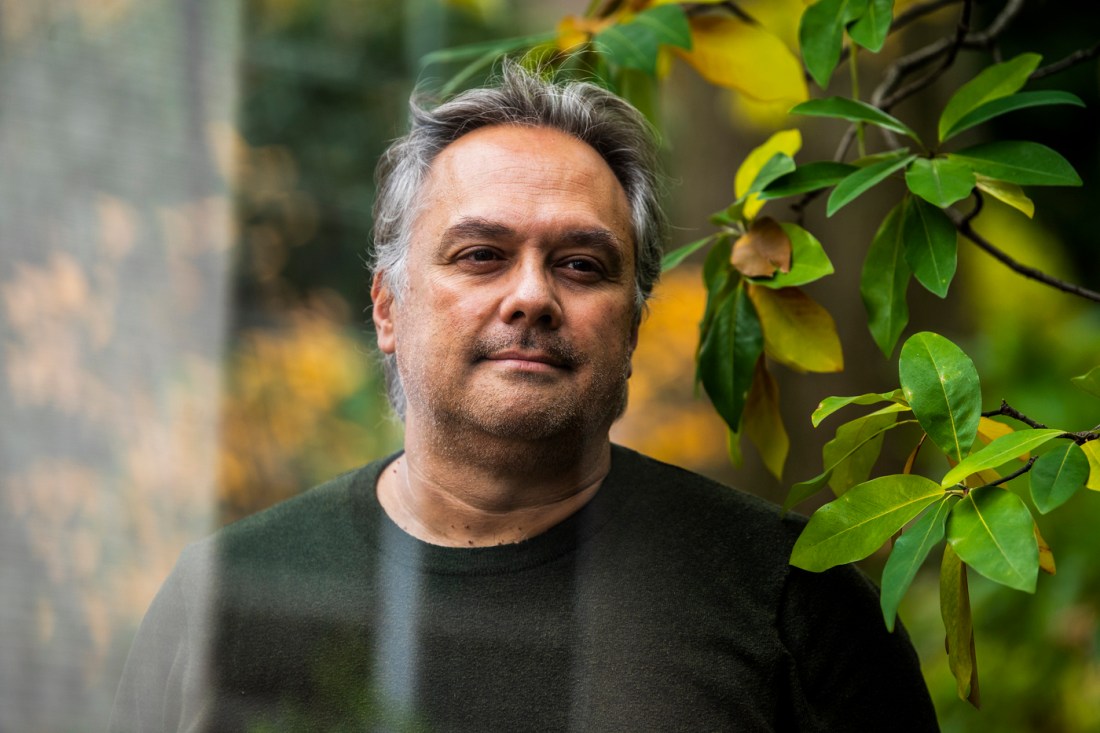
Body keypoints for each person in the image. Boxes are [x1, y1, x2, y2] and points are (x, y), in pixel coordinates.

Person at [111, 63, 939, 731]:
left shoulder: (794, 603)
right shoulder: (223, 598)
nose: (532, 296)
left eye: (581, 264)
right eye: (480, 254)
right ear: (388, 308)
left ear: (633, 325)